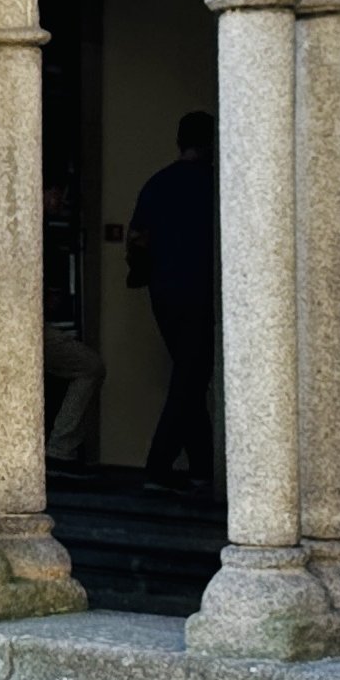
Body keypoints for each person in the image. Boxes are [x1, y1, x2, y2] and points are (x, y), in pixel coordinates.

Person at [126, 110, 216, 486]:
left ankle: (202, 466)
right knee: (191, 378)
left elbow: (137, 240)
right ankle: (158, 467)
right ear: (211, 142)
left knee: (189, 376)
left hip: (164, 293)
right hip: (200, 292)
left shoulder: (157, 184)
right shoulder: (214, 185)